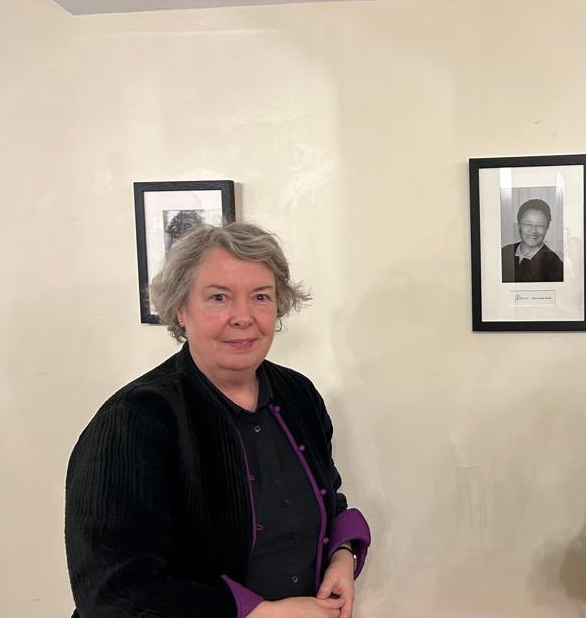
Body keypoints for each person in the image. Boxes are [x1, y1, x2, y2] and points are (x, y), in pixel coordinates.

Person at [66, 222, 370, 618]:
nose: (243, 317)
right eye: (219, 297)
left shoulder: (299, 395)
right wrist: (258, 614)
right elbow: (112, 591)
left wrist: (342, 557)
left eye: (260, 296)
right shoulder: (133, 421)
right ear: (181, 308)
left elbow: (329, 498)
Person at [501, 198, 564, 282]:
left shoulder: (554, 264)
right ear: (519, 225)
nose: (533, 230)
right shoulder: (505, 252)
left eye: (540, 225)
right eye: (528, 224)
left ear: (547, 228)